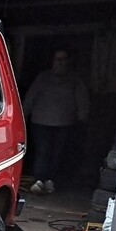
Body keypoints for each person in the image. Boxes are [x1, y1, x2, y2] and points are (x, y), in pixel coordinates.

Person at [22, 49, 89, 194]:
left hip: (64, 122)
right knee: (43, 151)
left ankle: (50, 180)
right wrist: (23, 114)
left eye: (63, 59)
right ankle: (39, 179)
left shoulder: (74, 79)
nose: (60, 63)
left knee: (57, 153)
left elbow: (81, 98)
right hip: (41, 121)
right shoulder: (43, 77)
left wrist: (82, 115)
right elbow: (31, 96)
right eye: (58, 59)